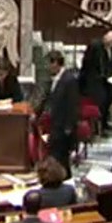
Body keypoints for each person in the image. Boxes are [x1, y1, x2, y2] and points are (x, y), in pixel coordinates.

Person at [43, 50, 80, 178]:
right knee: (56, 156)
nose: (47, 67)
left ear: (55, 63)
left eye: (49, 63)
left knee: (61, 158)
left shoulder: (69, 80)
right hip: (56, 124)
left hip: (64, 127)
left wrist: (68, 127)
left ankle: (65, 180)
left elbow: (72, 104)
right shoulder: (56, 79)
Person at [79, 28, 112, 130]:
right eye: (108, 41)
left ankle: (105, 122)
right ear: (104, 38)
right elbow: (86, 64)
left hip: (109, 79)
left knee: (111, 97)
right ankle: (98, 126)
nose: (110, 44)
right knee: (101, 99)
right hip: (95, 79)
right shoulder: (95, 46)